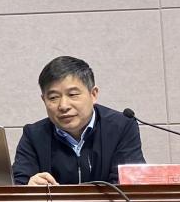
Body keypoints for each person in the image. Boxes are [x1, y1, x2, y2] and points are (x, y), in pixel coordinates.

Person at [12, 56, 144, 185]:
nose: (63, 106)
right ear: (44, 100)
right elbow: (16, 184)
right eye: (53, 97)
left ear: (93, 94)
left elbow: (129, 185)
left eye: (73, 94)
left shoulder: (122, 127)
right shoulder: (34, 135)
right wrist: (28, 188)